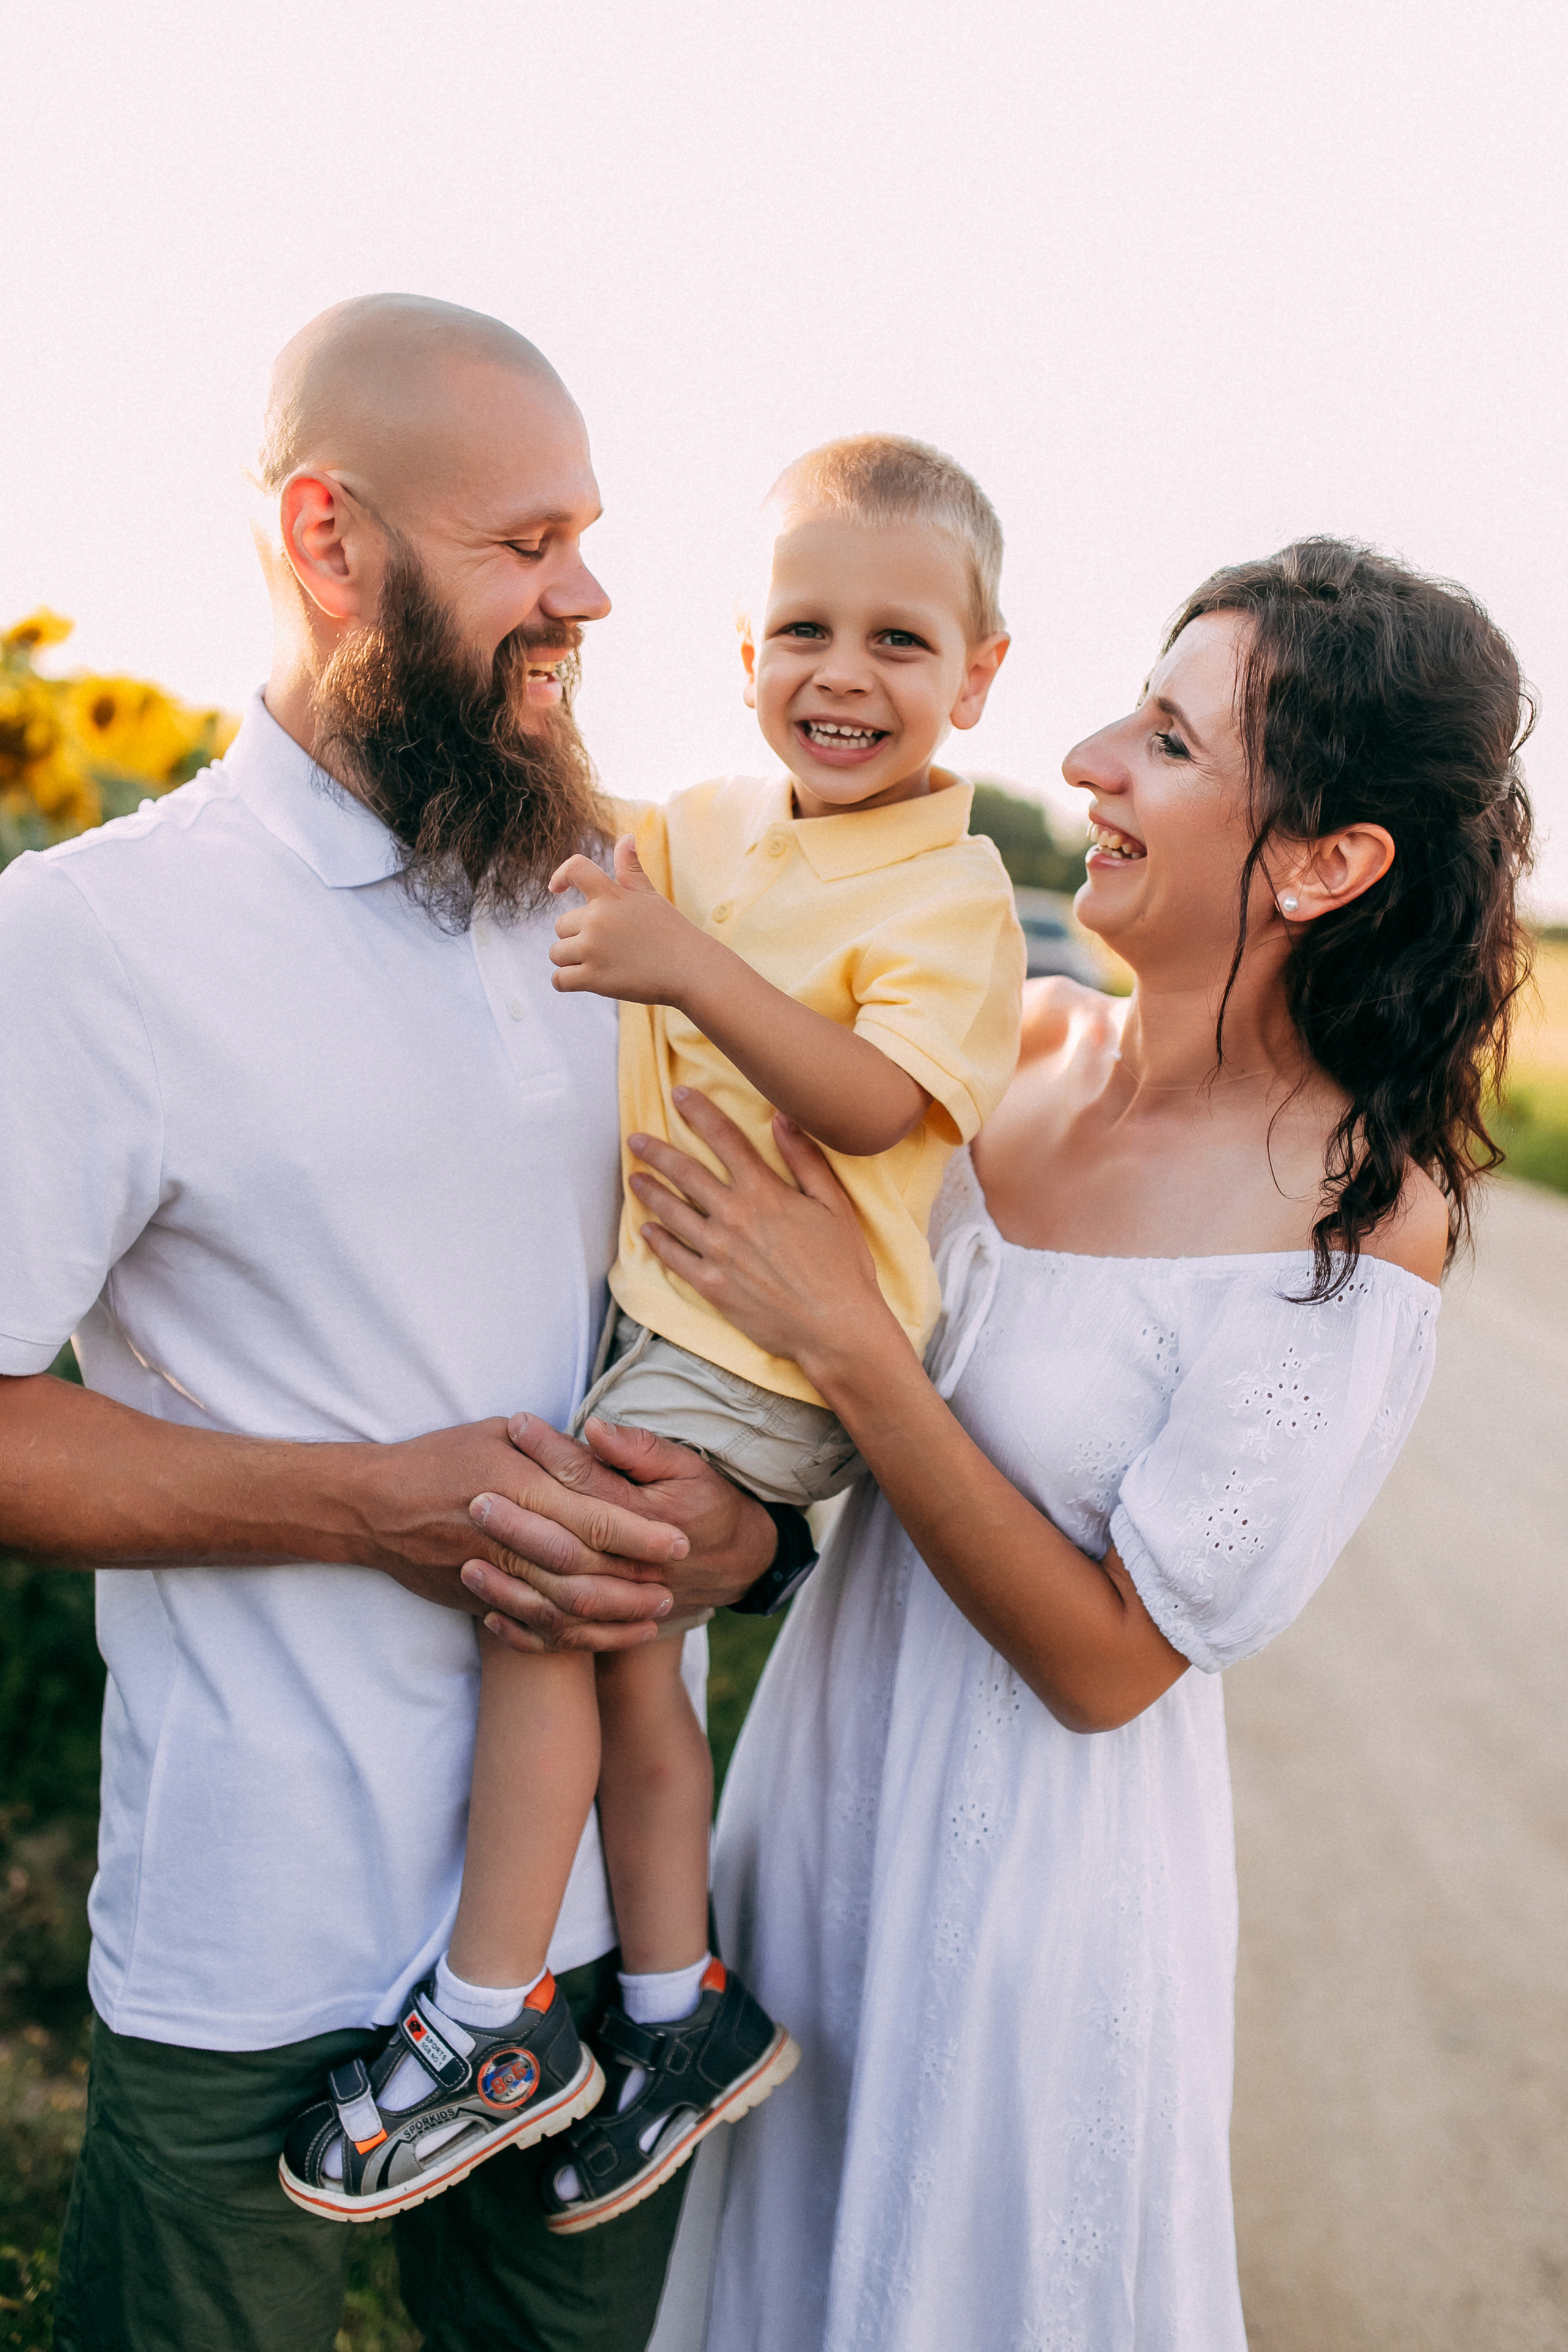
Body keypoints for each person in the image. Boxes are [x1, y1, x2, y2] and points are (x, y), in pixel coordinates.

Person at [590, 540, 1534, 2348]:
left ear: (1332, 864)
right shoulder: (1009, 1048)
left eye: (1170, 744)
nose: (1091, 760)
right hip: (804, 1821)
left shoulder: (1356, 1217)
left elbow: (1112, 1666)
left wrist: (857, 1351)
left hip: (1024, 1903)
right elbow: (815, 1410)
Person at [0, 293, 797, 2352]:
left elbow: (781, 1295)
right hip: (255, 1928)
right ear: (329, 540)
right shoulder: (90, 944)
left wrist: (756, 1529)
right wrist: (372, 1507)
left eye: (588, 534)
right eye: (526, 542)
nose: (589, 591)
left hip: (618, 1954)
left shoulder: (626, 904)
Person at [278, 432, 1026, 2233]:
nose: (844, 675)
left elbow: (870, 1104)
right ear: (747, 650)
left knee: (543, 1593)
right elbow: (559, 816)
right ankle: (682, 2013)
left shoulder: (957, 893)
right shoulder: (709, 828)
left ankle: (487, 2018)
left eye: (903, 644)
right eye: (804, 629)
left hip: (772, 1343)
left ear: (981, 675)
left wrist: (693, 970)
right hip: (667, 1321)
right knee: (629, 1657)